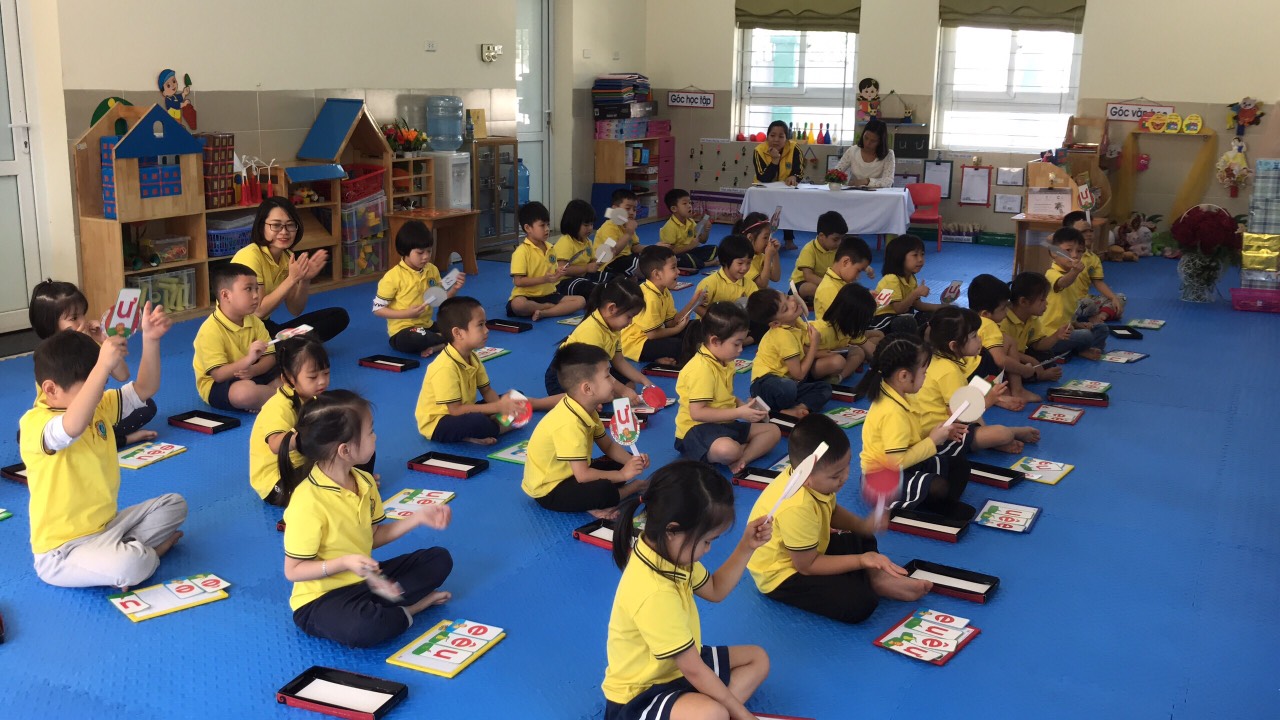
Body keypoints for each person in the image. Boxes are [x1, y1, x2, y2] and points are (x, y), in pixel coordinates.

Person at [23, 307, 187, 588]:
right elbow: (71, 428)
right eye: (91, 385)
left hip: (109, 527)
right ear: (50, 390)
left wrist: (151, 340)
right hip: (62, 551)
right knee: (131, 564)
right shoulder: (35, 424)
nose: (99, 392)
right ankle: (144, 556)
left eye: (101, 383)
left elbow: (144, 389)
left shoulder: (97, 406)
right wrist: (101, 367)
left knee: (174, 504)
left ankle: (123, 555)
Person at [602, 460, 772, 720]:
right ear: (672, 530)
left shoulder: (670, 553)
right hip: (641, 695)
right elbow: (693, 669)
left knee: (757, 659)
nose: (708, 549)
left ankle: (709, 709)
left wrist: (746, 546)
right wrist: (742, 714)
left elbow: (715, 589)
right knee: (712, 713)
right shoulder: (654, 592)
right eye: (706, 541)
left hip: (677, 668)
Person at [283, 390, 453, 648]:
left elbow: (372, 537)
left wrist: (417, 518)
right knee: (364, 627)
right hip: (320, 600)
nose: (375, 437)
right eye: (370, 432)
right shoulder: (307, 502)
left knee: (439, 559)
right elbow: (293, 571)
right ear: (345, 450)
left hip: (367, 582)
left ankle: (388, 610)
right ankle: (411, 609)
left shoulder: (364, 481)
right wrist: (345, 562)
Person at [748, 414, 930, 624]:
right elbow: (807, 566)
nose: (845, 477)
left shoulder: (811, 479)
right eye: (836, 475)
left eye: (847, 466)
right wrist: (862, 560)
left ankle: (877, 578)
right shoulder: (796, 506)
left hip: (806, 547)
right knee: (860, 603)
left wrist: (862, 525)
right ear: (806, 477)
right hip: (783, 573)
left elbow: (831, 511)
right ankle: (869, 579)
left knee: (861, 536)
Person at [522, 343, 649, 517]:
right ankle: (630, 489)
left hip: (572, 473)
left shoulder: (586, 407)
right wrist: (623, 475)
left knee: (621, 460)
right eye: (608, 376)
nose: (614, 381)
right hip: (550, 489)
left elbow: (608, 446)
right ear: (587, 389)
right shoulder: (569, 424)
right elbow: (583, 475)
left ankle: (589, 501)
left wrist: (633, 461)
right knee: (603, 490)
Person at [28, 280, 158, 447]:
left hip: (96, 408)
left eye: (83, 314)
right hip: (65, 416)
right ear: (51, 325)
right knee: (35, 434)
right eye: (74, 318)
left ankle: (105, 437)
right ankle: (119, 439)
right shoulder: (50, 357)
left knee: (147, 406)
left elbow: (123, 375)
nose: (83, 321)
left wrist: (104, 341)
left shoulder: (89, 343)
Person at [856, 334, 971, 520]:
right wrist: (932, 441)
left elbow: (912, 434)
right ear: (903, 376)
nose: (926, 377)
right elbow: (896, 463)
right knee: (938, 486)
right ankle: (922, 505)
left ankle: (930, 502)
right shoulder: (892, 412)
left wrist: (939, 432)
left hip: (905, 462)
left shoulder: (901, 394)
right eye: (924, 372)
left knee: (960, 466)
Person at [416, 296, 558, 445]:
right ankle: (490, 428)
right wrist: (498, 407)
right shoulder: (444, 367)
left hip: (464, 412)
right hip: (440, 423)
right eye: (480, 325)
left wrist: (504, 408)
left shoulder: (472, 357)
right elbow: (455, 410)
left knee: (518, 399)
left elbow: (487, 390)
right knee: (478, 422)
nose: (487, 330)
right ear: (458, 333)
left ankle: (491, 427)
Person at [917, 307, 1040, 454]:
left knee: (974, 403)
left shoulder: (937, 360)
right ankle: (1007, 434)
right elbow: (960, 416)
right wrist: (990, 400)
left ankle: (994, 437)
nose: (980, 339)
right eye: (974, 336)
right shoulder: (949, 371)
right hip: (938, 437)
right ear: (954, 346)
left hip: (941, 427)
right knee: (1002, 434)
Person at [674, 302, 780, 473]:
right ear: (715, 341)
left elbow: (725, 396)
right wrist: (739, 413)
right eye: (736, 344)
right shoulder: (701, 369)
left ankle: (742, 459)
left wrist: (743, 406)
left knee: (773, 431)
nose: (741, 349)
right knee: (728, 450)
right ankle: (735, 453)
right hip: (695, 430)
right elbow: (697, 413)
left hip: (724, 423)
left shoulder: (725, 360)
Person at [232, 196, 350, 342]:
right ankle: (286, 348)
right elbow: (259, 311)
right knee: (290, 342)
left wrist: (304, 279)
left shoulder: (287, 257)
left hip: (264, 327)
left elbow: (295, 309)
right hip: (241, 333)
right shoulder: (250, 256)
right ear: (262, 227)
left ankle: (287, 346)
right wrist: (292, 278)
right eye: (276, 225)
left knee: (338, 316)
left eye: (290, 225)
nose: (284, 231)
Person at [544, 279, 657, 405]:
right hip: (565, 376)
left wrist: (644, 381)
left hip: (593, 370)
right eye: (629, 317)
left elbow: (619, 361)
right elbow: (596, 371)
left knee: (629, 386)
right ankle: (537, 403)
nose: (630, 322)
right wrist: (622, 390)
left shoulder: (614, 327)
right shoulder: (592, 330)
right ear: (612, 308)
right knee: (594, 398)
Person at [249, 337, 329, 506]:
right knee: (317, 497)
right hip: (276, 479)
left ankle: (350, 482)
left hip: (305, 464)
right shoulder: (278, 406)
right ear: (288, 379)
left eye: (326, 373)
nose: (322, 381)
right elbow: (275, 445)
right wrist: (305, 435)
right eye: (313, 377)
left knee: (356, 450)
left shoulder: (314, 397)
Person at [193, 262, 281, 412]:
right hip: (220, 384)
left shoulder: (255, 321)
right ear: (226, 295)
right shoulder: (209, 330)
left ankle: (264, 398)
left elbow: (270, 357)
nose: (256, 295)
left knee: (291, 372)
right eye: (248, 289)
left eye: (256, 289)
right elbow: (219, 375)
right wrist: (249, 359)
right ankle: (284, 399)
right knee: (244, 394)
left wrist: (254, 370)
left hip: (253, 372)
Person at [374, 220, 466, 357]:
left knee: (461, 325)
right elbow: (378, 310)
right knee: (417, 338)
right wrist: (407, 314)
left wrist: (454, 289)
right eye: (420, 252)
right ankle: (445, 340)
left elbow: (439, 300)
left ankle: (439, 343)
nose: (426, 256)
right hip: (403, 331)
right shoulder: (392, 277)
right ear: (405, 251)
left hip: (427, 326)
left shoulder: (432, 270)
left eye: (429, 251)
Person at [746, 289, 835, 416]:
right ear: (776, 323)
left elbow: (801, 348)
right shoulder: (783, 336)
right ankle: (765, 405)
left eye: (787, 297)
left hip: (788, 381)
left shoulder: (795, 321)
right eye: (785, 309)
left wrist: (821, 351)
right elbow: (799, 374)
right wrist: (814, 346)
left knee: (824, 388)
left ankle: (795, 409)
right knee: (788, 388)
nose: (793, 302)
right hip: (765, 384)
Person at [620, 246, 704, 364]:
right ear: (657, 274)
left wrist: (693, 301)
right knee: (677, 345)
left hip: (655, 334)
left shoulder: (664, 291)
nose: (678, 271)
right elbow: (652, 334)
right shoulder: (649, 298)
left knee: (696, 326)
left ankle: (669, 355)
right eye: (673, 268)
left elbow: (671, 322)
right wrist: (677, 330)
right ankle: (658, 359)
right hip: (637, 344)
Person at [508, 201, 587, 321]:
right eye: (542, 226)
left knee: (580, 301)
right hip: (527, 296)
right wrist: (544, 279)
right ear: (528, 228)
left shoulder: (550, 248)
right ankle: (547, 307)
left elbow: (552, 275)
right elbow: (518, 281)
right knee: (518, 305)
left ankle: (545, 313)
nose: (547, 229)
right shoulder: (521, 252)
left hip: (549, 294)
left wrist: (558, 273)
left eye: (548, 225)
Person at [1040, 227, 1109, 360]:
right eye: (1068, 250)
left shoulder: (1073, 276)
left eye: (1079, 251)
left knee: (1102, 328)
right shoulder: (1051, 273)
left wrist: (1077, 324)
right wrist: (1075, 272)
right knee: (1085, 336)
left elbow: (1069, 310)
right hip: (1051, 335)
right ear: (1054, 253)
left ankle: (1082, 350)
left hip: (1068, 329)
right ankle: (1078, 351)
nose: (1075, 255)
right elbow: (1062, 283)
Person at [1000, 272, 1069, 396]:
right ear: (1023, 302)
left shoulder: (1032, 317)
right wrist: (1032, 361)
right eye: (1042, 300)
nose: (1046, 303)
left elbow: (1038, 345)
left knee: (1047, 355)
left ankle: (1035, 373)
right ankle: (1038, 375)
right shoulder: (1004, 320)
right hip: (1008, 358)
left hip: (1022, 354)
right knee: (1011, 369)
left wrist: (1056, 336)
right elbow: (1002, 354)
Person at [966, 274, 1027, 410]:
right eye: (1003, 308)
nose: (1007, 311)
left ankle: (993, 397)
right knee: (1009, 341)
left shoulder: (965, 318)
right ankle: (1017, 389)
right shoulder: (988, 324)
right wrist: (1025, 370)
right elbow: (1000, 360)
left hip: (961, 381)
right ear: (985, 314)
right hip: (976, 379)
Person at [811, 282, 882, 381]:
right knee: (838, 362)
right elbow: (798, 347)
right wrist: (819, 354)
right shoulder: (820, 329)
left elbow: (873, 353)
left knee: (858, 352)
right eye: (864, 319)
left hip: (831, 354)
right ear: (852, 317)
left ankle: (837, 378)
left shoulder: (847, 329)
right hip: (811, 364)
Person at [871, 234, 940, 335]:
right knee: (906, 321)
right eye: (915, 255)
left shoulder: (911, 278)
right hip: (883, 320)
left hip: (902, 317)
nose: (920, 259)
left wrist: (942, 307)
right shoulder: (891, 279)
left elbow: (918, 305)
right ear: (900, 257)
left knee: (931, 316)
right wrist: (916, 293)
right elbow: (898, 309)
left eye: (922, 254)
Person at [1063, 211, 1125, 319]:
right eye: (1083, 231)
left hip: (1085, 300)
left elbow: (1098, 282)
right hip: (1067, 302)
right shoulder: (1063, 253)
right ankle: (1098, 314)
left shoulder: (1093, 258)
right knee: (1087, 304)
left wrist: (1113, 298)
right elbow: (1051, 240)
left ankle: (1101, 315)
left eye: (1091, 230)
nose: (1089, 234)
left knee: (1120, 297)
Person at [752, 120, 804, 249]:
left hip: (784, 189)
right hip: (763, 189)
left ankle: (789, 239)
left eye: (781, 136)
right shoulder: (759, 150)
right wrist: (775, 160)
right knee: (762, 215)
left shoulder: (794, 148)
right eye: (772, 135)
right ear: (767, 136)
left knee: (787, 209)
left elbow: (799, 171)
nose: (776, 139)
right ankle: (759, 240)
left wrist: (794, 176)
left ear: (787, 138)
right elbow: (763, 177)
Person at [553, 199, 616, 298]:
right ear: (573, 223)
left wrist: (603, 258)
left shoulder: (587, 242)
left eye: (591, 224)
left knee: (614, 278)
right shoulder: (566, 242)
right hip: (564, 281)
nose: (590, 228)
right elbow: (562, 269)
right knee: (588, 287)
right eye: (586, 225)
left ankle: (616, 293)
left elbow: (592, 262)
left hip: (584, 275)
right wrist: (586, 268)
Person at [813, 234, 874, 320]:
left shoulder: (842, 281)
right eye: (858, 271)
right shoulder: (828, 289)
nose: (858, 277)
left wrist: (866, 295)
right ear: (846, 262)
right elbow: (844, 319)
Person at [790, 211, 847, 301]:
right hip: (800, 284)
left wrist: (864, 267)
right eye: (836, 239)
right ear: (821, 236)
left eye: (841, 239)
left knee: (849, 284)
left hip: (824, 283)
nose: (839, 242)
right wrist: (830, 285)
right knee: (812, 288)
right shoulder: (809, 249)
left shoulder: (837, 249)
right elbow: (808, 276)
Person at [694, 235, 757, 314]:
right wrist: (716, 319)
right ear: (726, 261)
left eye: (748, 263)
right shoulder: (709, 283)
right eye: (740, 263)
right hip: (711, 321)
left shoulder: (750, 285)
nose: (745, 268)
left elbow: (757, 306)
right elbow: (696, 307)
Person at [658, 189, 717, 271]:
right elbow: (669, 252)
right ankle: (707, 264)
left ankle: (697, 261)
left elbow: (702, 240)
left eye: (690, 203)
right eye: (685, 203)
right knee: (686, 259)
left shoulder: (690, 222)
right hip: (676, 256)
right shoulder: (669, 227)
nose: (689, 206)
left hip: (691, 251)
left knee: (714, 248)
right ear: (674, 209)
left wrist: (706, 230)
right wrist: (690, 246)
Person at [594, 189, 644, 276]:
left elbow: (635, 247)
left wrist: (653, 248)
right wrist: (628, 234)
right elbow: (613, 252)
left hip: (627, 258)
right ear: (615, 209)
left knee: (648, 258)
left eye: (634, 209)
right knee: (640, 265)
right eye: (627, 208)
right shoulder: (609, 226)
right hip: (609, 263)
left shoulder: (627, 225)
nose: (632, 212)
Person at [833, 118, 896, 188]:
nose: (867, 143)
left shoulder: (888, 155)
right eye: (866, 138)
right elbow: (837, 172)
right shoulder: (852, 151)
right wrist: (838, 180)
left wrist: (867, 181)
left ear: (880, 142)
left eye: (873, 141)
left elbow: (888, 181)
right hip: (854, 191)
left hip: (877, 193)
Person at [733, 212, 781, 292]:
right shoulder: (744, 259)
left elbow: (776, 277)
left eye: (769, 237)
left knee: (780, 294)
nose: (768, 241)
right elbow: (763, 283)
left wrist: (775, 254)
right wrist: (768, 257)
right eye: (765, 237)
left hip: (756, 293)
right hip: (743, 296)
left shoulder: (760, 255)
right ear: (750, 237)